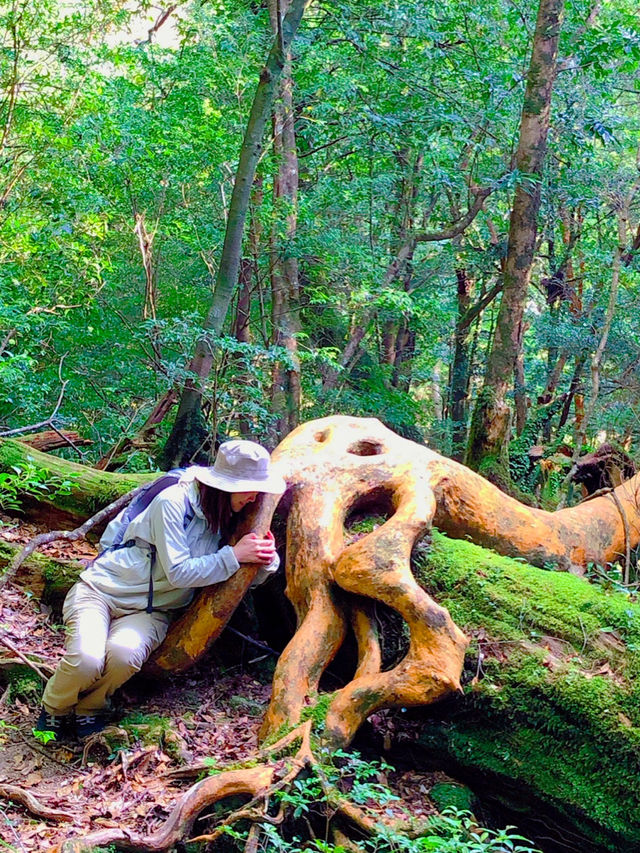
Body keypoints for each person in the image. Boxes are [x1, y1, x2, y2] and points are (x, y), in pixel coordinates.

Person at [36, 440, 286, 740]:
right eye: (249, 487)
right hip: (100, 591)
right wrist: (234, 556)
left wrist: (266, 561)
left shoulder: (231, 517)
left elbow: (244, 581)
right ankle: (55, 710)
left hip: (152, 611)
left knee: (123, 656)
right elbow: (179, 572)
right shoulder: (173, 502)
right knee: (87, 659)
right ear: (226, 485)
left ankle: (90, 708)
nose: (255, 495)